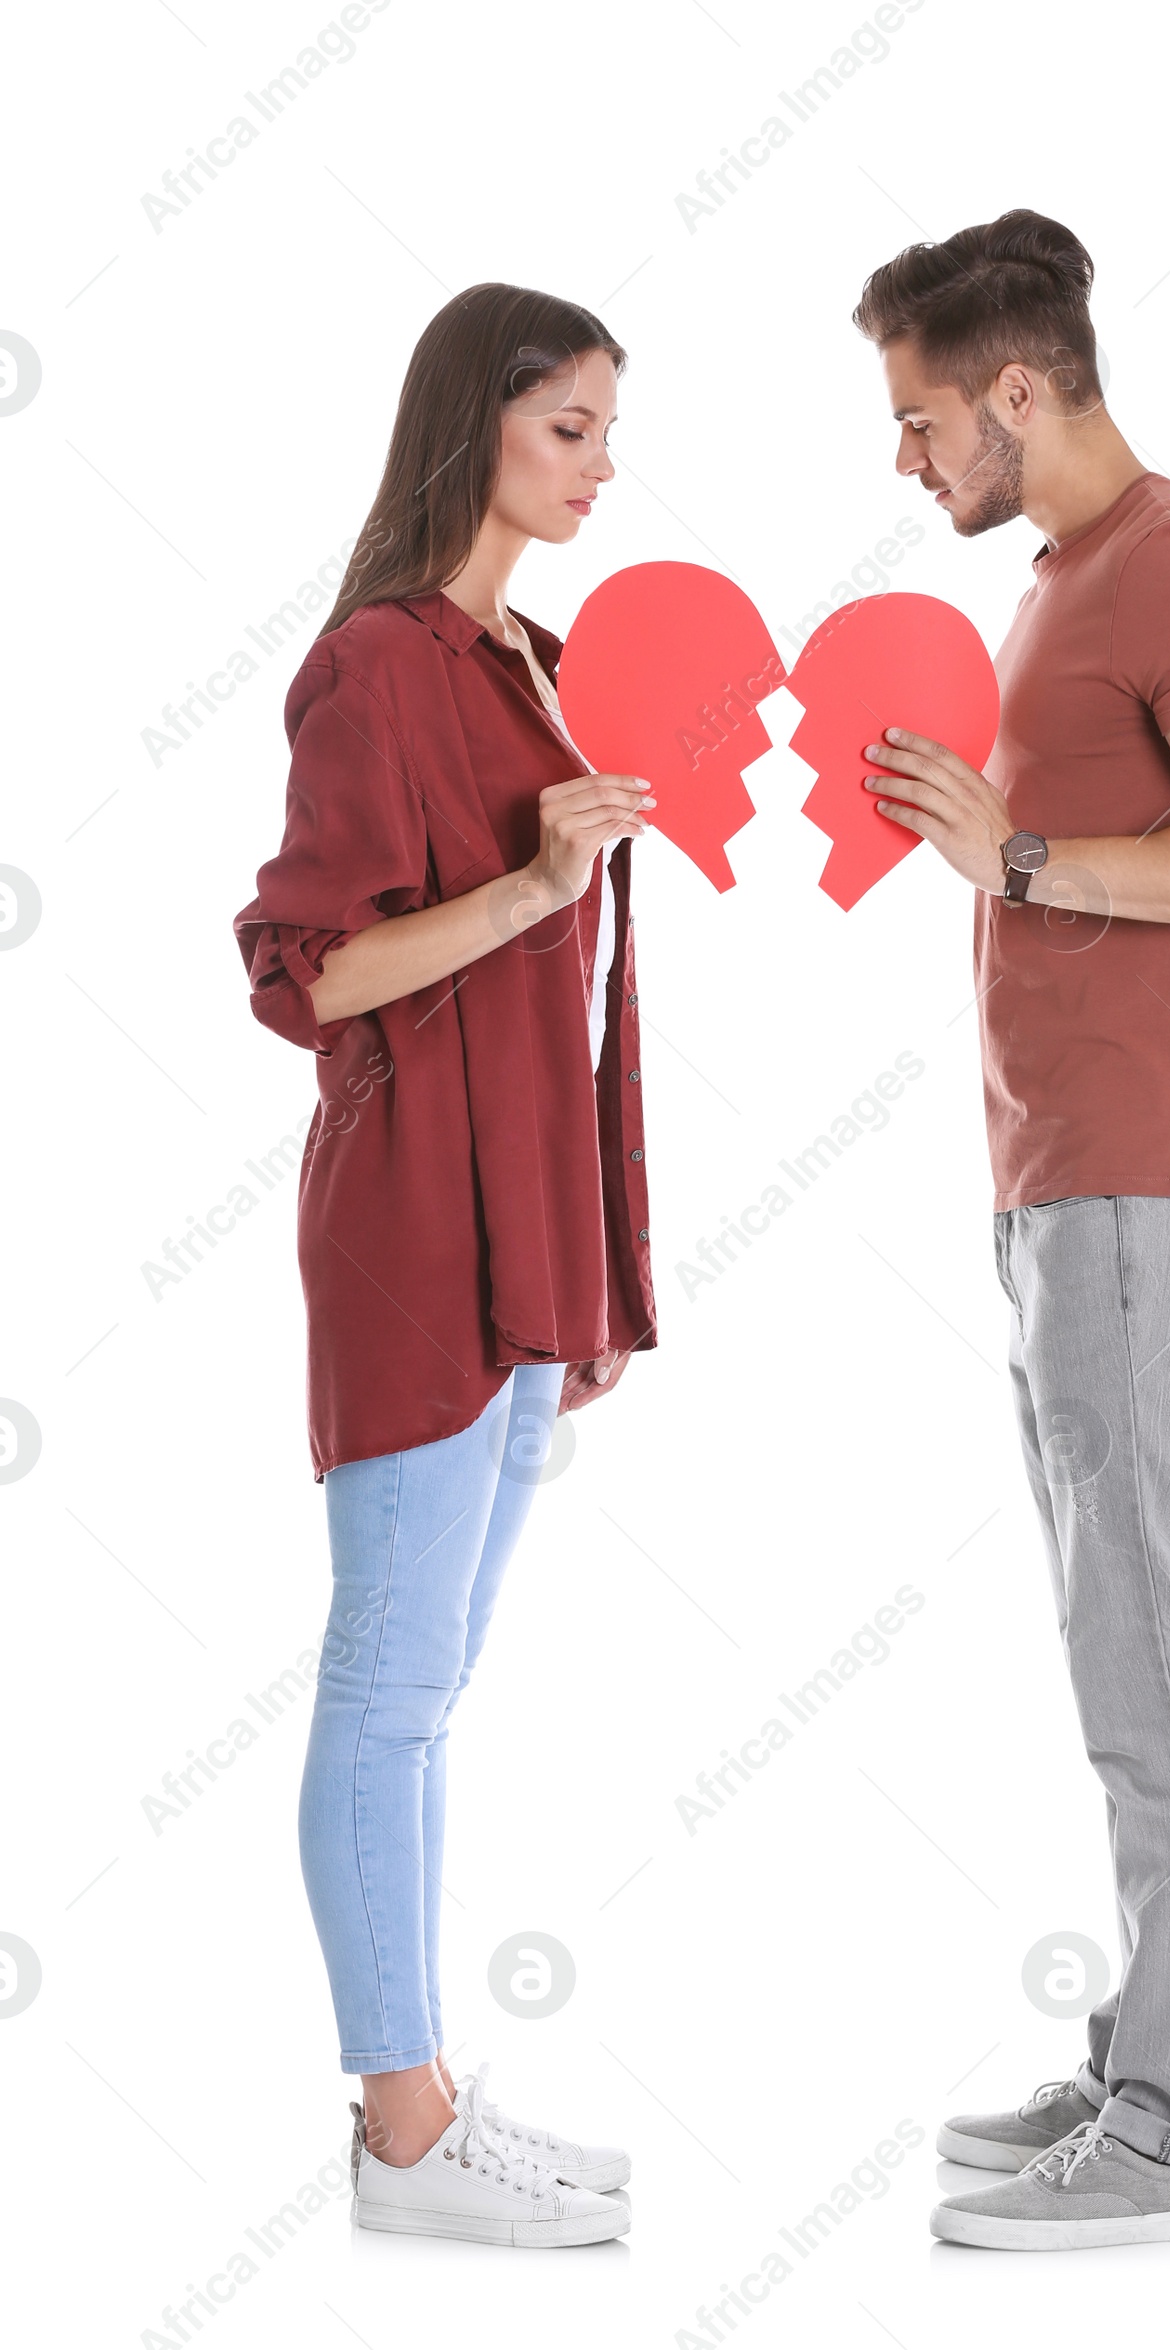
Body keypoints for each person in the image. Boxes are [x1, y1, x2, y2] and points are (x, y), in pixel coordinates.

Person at [850, 212, 1170, 2252]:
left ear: (1016, 390)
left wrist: (1023, 850)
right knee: (1116, 1645)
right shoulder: (1069, 583)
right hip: (1075, 1189)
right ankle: (1148, 2048)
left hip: (1151, 1190)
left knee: (1157, 1658)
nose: (904, 461)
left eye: (914, 421)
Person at [234, 282, 656, 2249]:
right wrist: (531, 879)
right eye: (567, 424)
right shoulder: (376, 669)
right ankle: (403, 2127)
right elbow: (312, 973)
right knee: (390, 1682)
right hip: (413, 1237)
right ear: (472, 426)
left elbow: (573, 994)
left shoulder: (537, 662)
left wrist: (592, 1256)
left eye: (603, 427)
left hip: (522, 1233)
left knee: (434, 1680)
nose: (598, 461)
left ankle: (423, 2103)